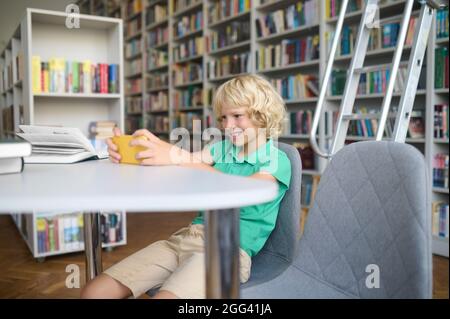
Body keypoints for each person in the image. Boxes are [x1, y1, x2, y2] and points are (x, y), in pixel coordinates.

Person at [80, 74, 292, 299]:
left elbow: (246, 190)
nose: (228, 126)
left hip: (227, 251)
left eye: (237, 116)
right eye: (222, 118)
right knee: (93, 292)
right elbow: (183, 164)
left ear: (262, 114)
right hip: (185, 239)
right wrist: (133, 151)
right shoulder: (221, 149)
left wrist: (176, 155)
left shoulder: (276, 159)